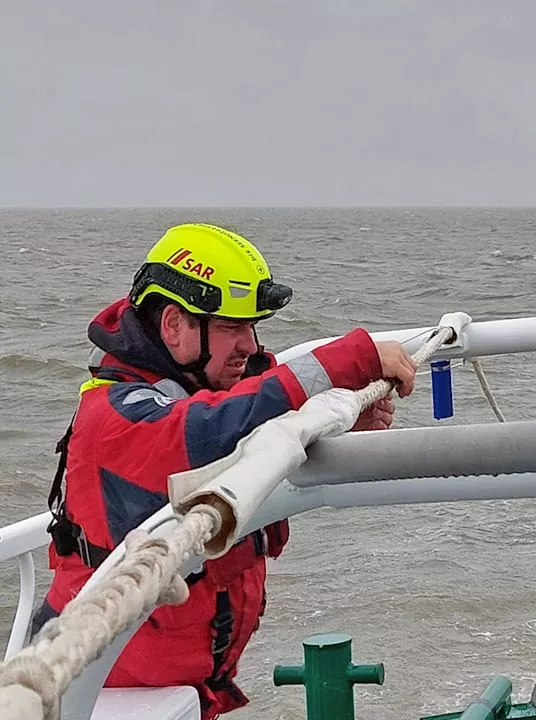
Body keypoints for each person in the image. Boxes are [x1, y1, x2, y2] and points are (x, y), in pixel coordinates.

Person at [33, 222, 418, 719]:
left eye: (252, 328)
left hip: (177, 684)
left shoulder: (198, 390)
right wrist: (354, 357)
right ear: (174, 325)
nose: (248, 344)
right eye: (232, 327)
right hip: (95, 683)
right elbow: (207, 432)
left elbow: (248, 416)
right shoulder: (118, 416)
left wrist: (335, 419)